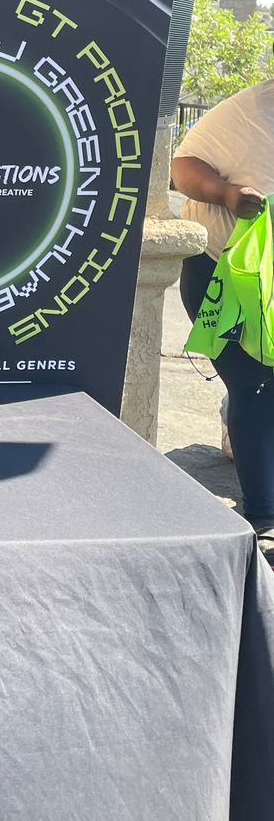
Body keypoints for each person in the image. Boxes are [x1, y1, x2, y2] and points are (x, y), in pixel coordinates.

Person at [171, 78, 274, 550]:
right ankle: (264, 516)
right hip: (224, 276)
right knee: (256, 386)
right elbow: (183, 167)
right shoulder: (252, 109)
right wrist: (228, 194)